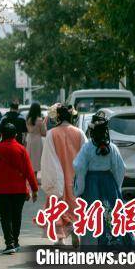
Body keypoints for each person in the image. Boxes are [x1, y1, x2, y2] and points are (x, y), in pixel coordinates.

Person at [73, 112, 135, 249]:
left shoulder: (87, 147)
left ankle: (92, 248)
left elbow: (79, 167)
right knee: (113, 213)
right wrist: (117, 187)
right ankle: (115, 244)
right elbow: (121, 168)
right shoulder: (112, 147)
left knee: (91, 215)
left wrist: (79, 189)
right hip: (109, 184)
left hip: (91, 185)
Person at [0, 122, 39, 255]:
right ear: (15, 135)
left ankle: (9, 243)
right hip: (19, 190)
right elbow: (29, 171)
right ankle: (15, 242)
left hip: (1, 190)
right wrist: (34, 189)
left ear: (2, 135)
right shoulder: (21, 149)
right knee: (17, 216)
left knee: (5, 217)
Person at [40, 104, 87, 246]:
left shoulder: (52, 134)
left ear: (58, 117)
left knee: (59, 207)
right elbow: (85, 156)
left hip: (58, 178)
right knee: (75, 207)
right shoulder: (79, 133)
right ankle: (75, 231)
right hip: (75, 178)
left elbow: (47, 158)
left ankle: (60, 238)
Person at [25, 102, 46, 178]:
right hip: (37, 141)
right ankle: (35, 177)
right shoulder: (40, 120)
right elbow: (44, 133)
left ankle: (31, 177)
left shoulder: (28, 119)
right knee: (36, 159)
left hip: (30, 139)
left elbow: (28, 130)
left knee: (30, 158)